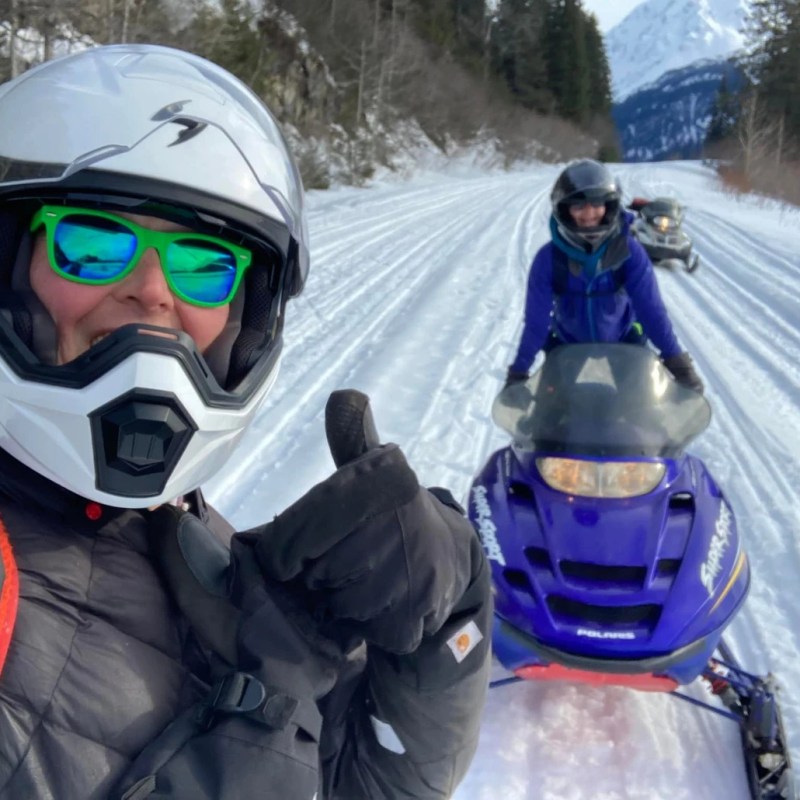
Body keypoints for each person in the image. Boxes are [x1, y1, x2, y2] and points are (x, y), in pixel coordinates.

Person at [0, 45, 492, 799]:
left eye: (204, 263)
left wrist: (438, 639)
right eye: (92, 244)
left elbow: (370, 783)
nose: (152, 293)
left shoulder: (180, 534)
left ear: (244, 320)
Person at [505, 159, 703, 393]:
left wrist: (676, 361)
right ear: (564, 210)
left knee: (640, 416)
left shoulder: (629, 252)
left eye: (597, 203)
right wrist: (519, 370)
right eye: (578, 206)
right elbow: (536, 322)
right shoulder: (548, 260)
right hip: (566, 347)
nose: (589, 213)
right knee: (552, 421)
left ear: (609, 205)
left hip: (625, 344)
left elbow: (651, 310)